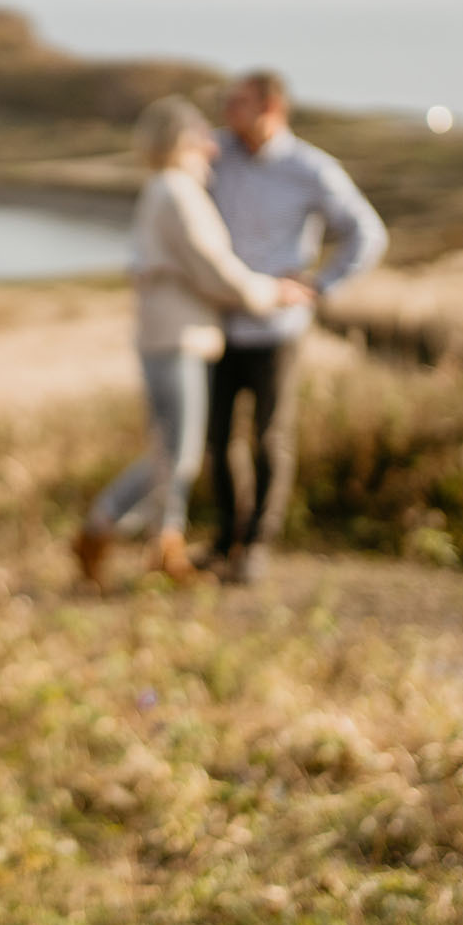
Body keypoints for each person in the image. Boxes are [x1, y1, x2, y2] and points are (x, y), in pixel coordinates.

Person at [72, 96, 311, 587]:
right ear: (182, 141)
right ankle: (105, 529)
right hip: (177, 337)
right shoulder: (179, 192)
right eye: (203, 135)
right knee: (176, 453)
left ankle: (160, 543)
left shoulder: (166, 189)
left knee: (173, 449)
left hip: (170, 334)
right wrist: (271, 293)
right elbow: (213, 267)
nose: (213, 146)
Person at [206, 70, 387, 582]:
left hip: (277, 329)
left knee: (269, 438)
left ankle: (257, 546)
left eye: (238, 104)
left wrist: (321, 285)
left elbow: (367, 233)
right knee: (218, 441)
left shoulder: (310, 168)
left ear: (272, 109)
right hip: (220, 324)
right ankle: (225, 541)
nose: (227, 113)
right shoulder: (218, 155)